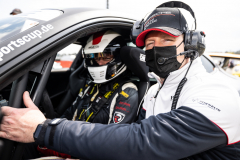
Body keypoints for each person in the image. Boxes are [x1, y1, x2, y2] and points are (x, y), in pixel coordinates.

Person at [1, 1, 240, 160]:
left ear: (191, 42)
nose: (156, 50)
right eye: (149, 44)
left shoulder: (216, 94)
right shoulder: (156, 91)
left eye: (166, 40)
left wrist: (44, 130)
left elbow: (141, 141)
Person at [23, 30, 139, 159]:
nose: (99, 62)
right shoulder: (90, 86)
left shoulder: (127, 91)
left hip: (89, 152)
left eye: (106, 56)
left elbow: (115, 141)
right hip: (69, 142)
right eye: (95, 56)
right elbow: (68, 114)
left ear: (118, 57)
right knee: (23, 142)